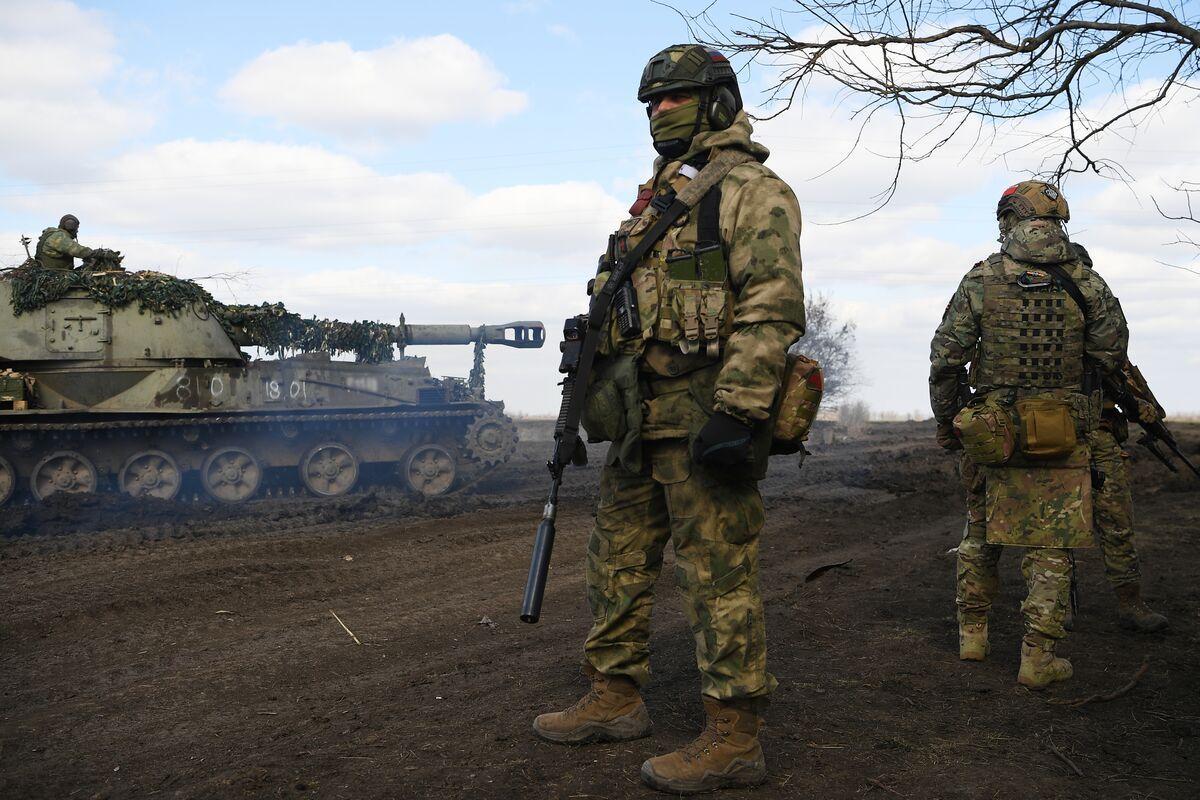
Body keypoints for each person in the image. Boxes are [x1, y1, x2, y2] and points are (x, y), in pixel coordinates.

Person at [531, 44, 805, 793]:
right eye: (651, 102)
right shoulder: (655, 200)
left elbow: (771, 308)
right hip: (637, 419)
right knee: (614, 564)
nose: (659, 112)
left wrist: (741, 410)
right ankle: (615, 696)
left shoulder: (751, 191)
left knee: (717, 574)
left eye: (674, 98)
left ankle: (734, 734)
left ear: (716, 99)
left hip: (706, 416)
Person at [930, 180, 1128, 689]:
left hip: (992, 430)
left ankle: (973, 636)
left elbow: (947, 359)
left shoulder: (981, 278)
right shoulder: (1087, 282)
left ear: (1007, 221)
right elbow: (1110, 352)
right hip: (1063, 429)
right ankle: (1037, 657)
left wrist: (948, 423)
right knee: (1052, 545)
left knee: (980, 529)